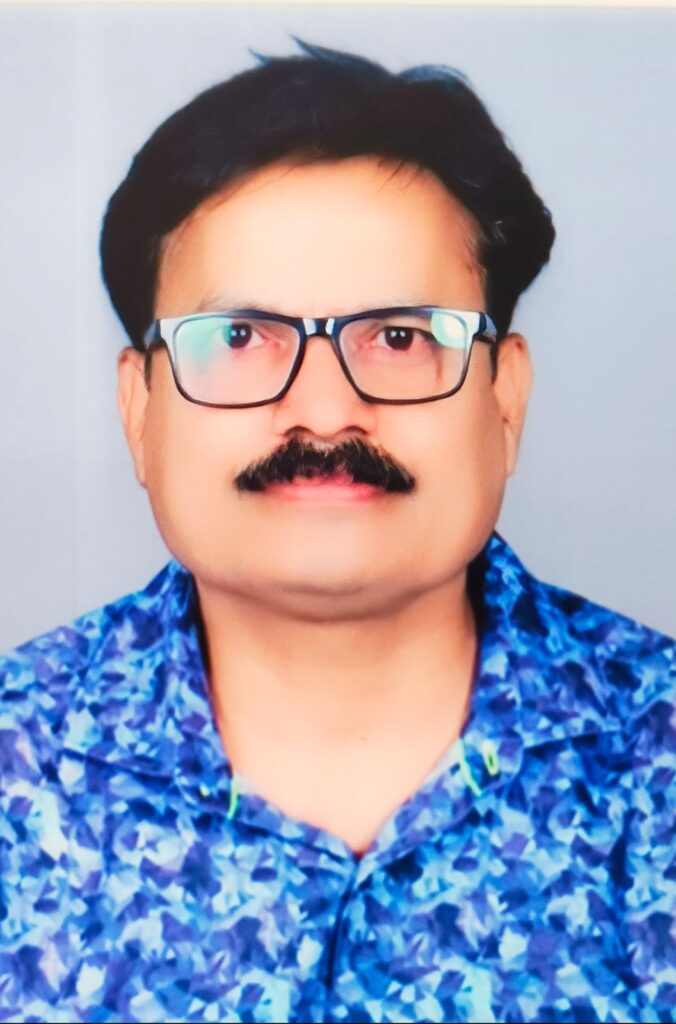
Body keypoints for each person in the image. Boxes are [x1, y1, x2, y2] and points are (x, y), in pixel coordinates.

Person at [0, 38, 673, 1024]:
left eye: (399, 337)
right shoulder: (18, 763)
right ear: (139, 412)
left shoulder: (655, 754)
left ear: (506, 399)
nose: (322, 412)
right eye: (239, 337)